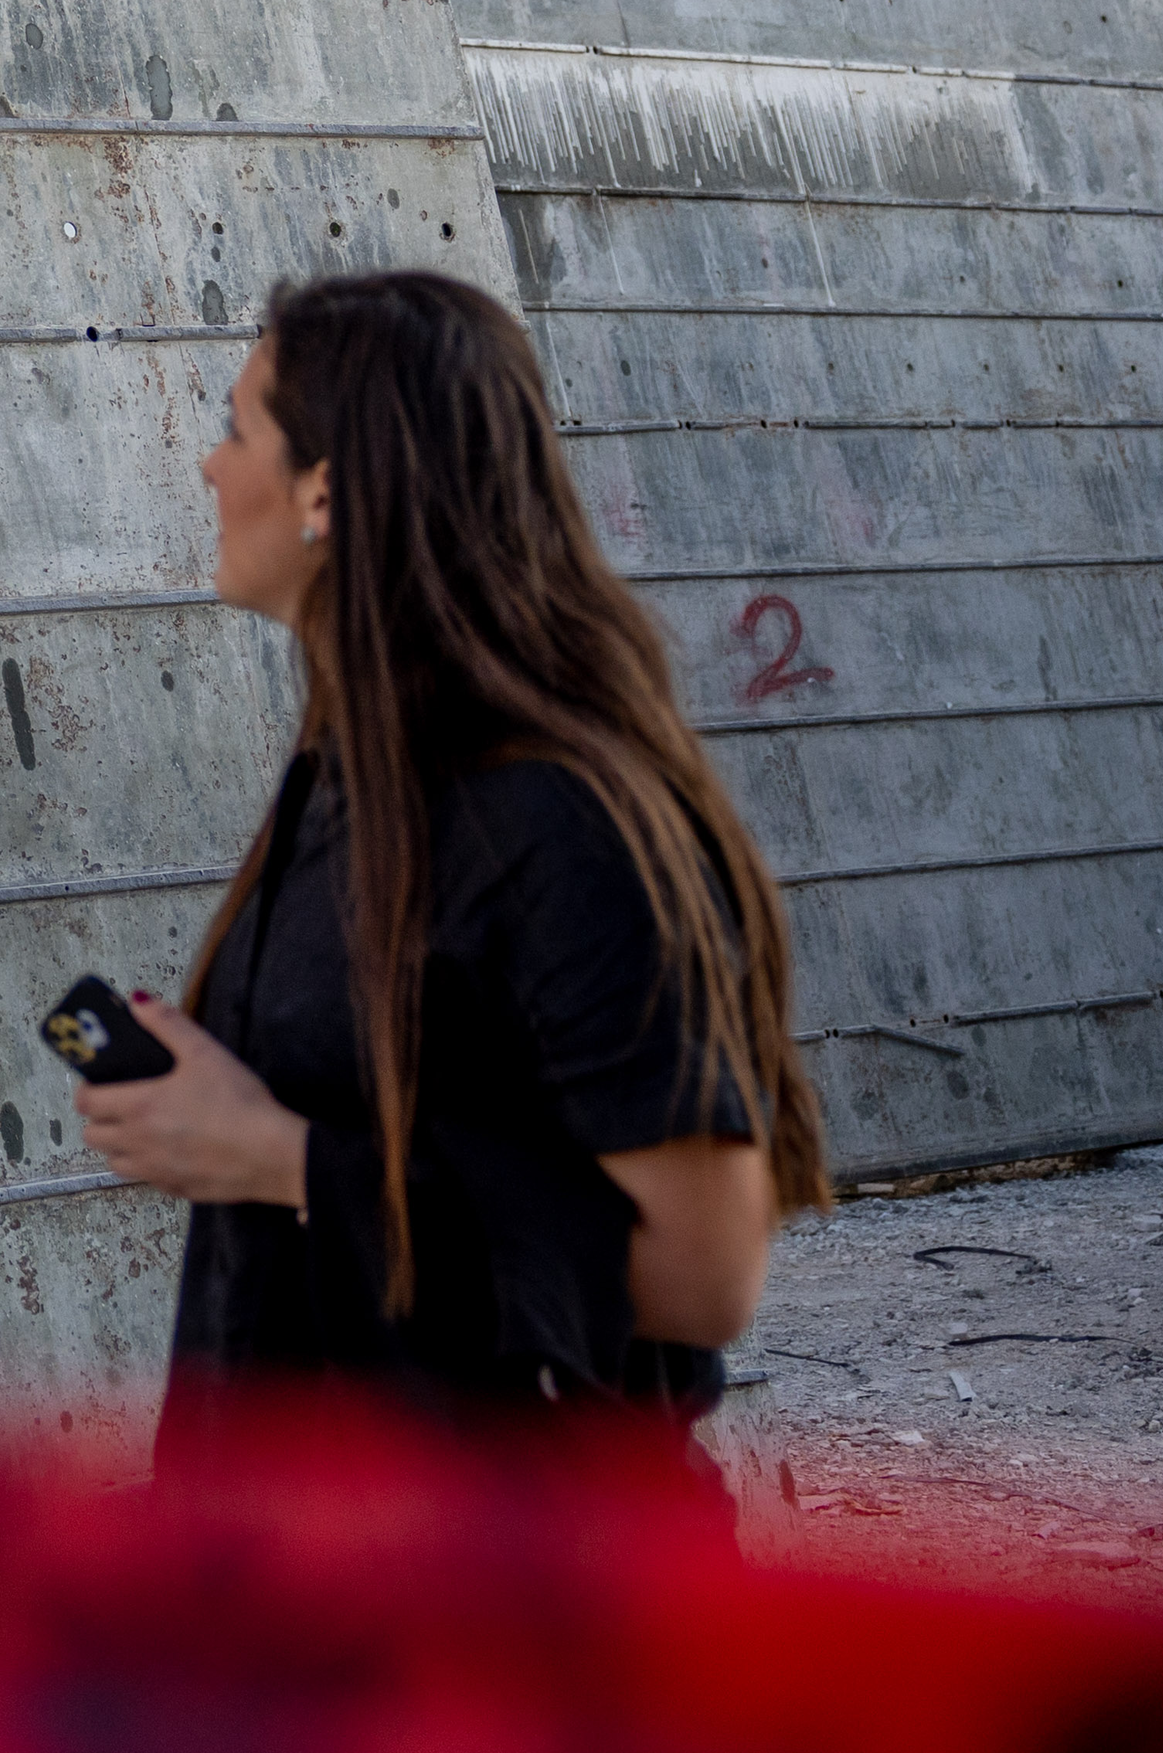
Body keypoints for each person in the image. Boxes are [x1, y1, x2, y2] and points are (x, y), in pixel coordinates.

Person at [77, 270, 825, 1443]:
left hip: (523, 1590)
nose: (211, 467)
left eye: (238, 430)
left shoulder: (558, 820)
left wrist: (282, 1159)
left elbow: (706, 1272)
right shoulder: (353, 777)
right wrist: (210, 1104)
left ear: (324, 489)